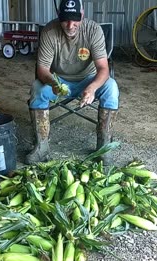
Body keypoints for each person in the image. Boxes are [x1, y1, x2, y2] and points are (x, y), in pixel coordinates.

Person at [26, 0, 119, 165]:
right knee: (37, 89)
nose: (70, 25)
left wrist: (92, 88)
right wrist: (53, 82)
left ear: (82, 15)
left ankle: (104, 147)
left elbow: (104, 68)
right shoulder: (49, 31)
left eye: (75, 19)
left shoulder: (93, 30)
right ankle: (42, 146)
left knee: (111, 88)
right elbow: (42, 70)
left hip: (88, 79)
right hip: (58, 81)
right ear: (58, 16)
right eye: (65, 19)